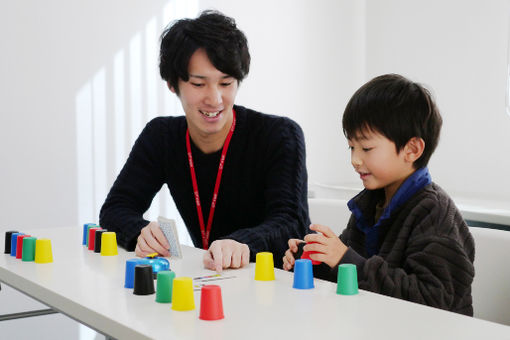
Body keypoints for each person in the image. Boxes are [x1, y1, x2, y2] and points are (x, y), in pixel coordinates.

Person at [100, 10, 309, 272]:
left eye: (226, 82)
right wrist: (140, 232)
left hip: (277, 282)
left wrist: (241, 243)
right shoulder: (162, 137)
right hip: (210, 279)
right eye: (199, 84)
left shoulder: (278, 134)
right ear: (172, 84)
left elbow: (291, 222)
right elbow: (115, 208)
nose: (215, 99)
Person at [283, 74, 475, 315]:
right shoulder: (370, 203)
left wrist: (343, 258)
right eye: (351, 147)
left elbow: (433, 300)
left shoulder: (433, 211)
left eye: (366, 148)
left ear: (412, 149)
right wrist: (315, 261)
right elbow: (353, 273)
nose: (355, 159)